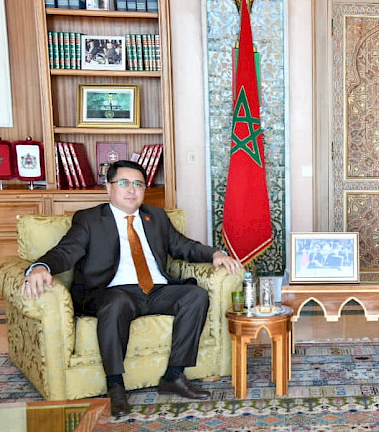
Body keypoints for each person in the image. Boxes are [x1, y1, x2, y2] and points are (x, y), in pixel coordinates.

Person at [19, 160, 241, 418]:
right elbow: (66, 252)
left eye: (138, 184)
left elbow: (184, 246)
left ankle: (174, 376)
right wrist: (41, 266)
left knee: (196, 296)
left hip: (155, 290)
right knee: (117, 301)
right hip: (110, 292)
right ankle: (115, 385)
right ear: (109, 187)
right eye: (124, 183)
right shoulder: (90, 219)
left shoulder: (156, 217)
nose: (132, 190)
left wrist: (215, 254)